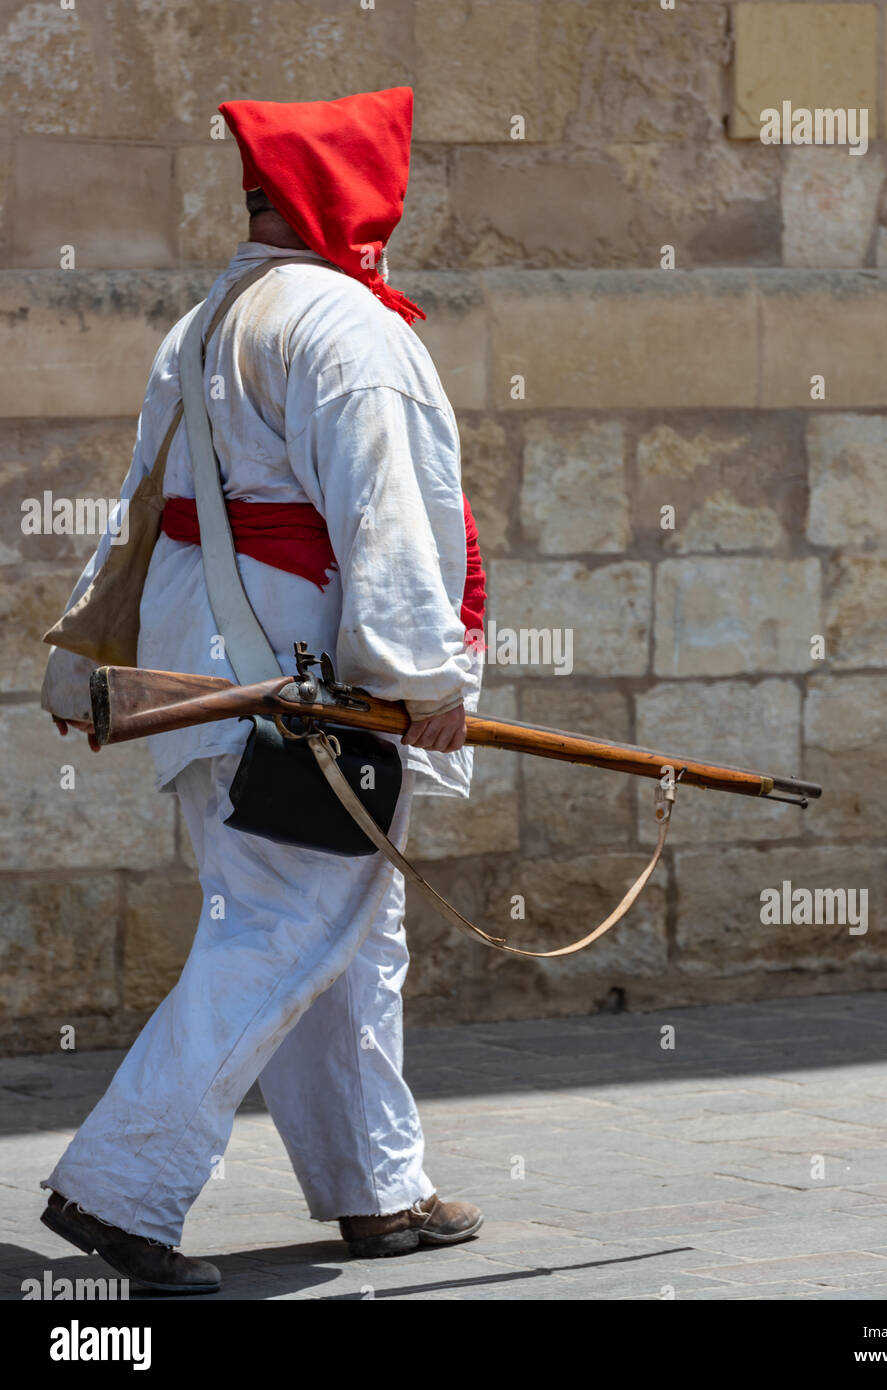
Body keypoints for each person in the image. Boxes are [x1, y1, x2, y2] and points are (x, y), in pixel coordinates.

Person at [37, 86, 487, 1294]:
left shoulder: (200, 325)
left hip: (210, 680)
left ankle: (374, 1188)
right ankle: (117, 1189)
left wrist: (84, 660)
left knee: (345, 935)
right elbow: (390, 520)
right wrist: (422, 678)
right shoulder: (348, 328)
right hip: (307, 690)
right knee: (284, 929)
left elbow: (137, 514)